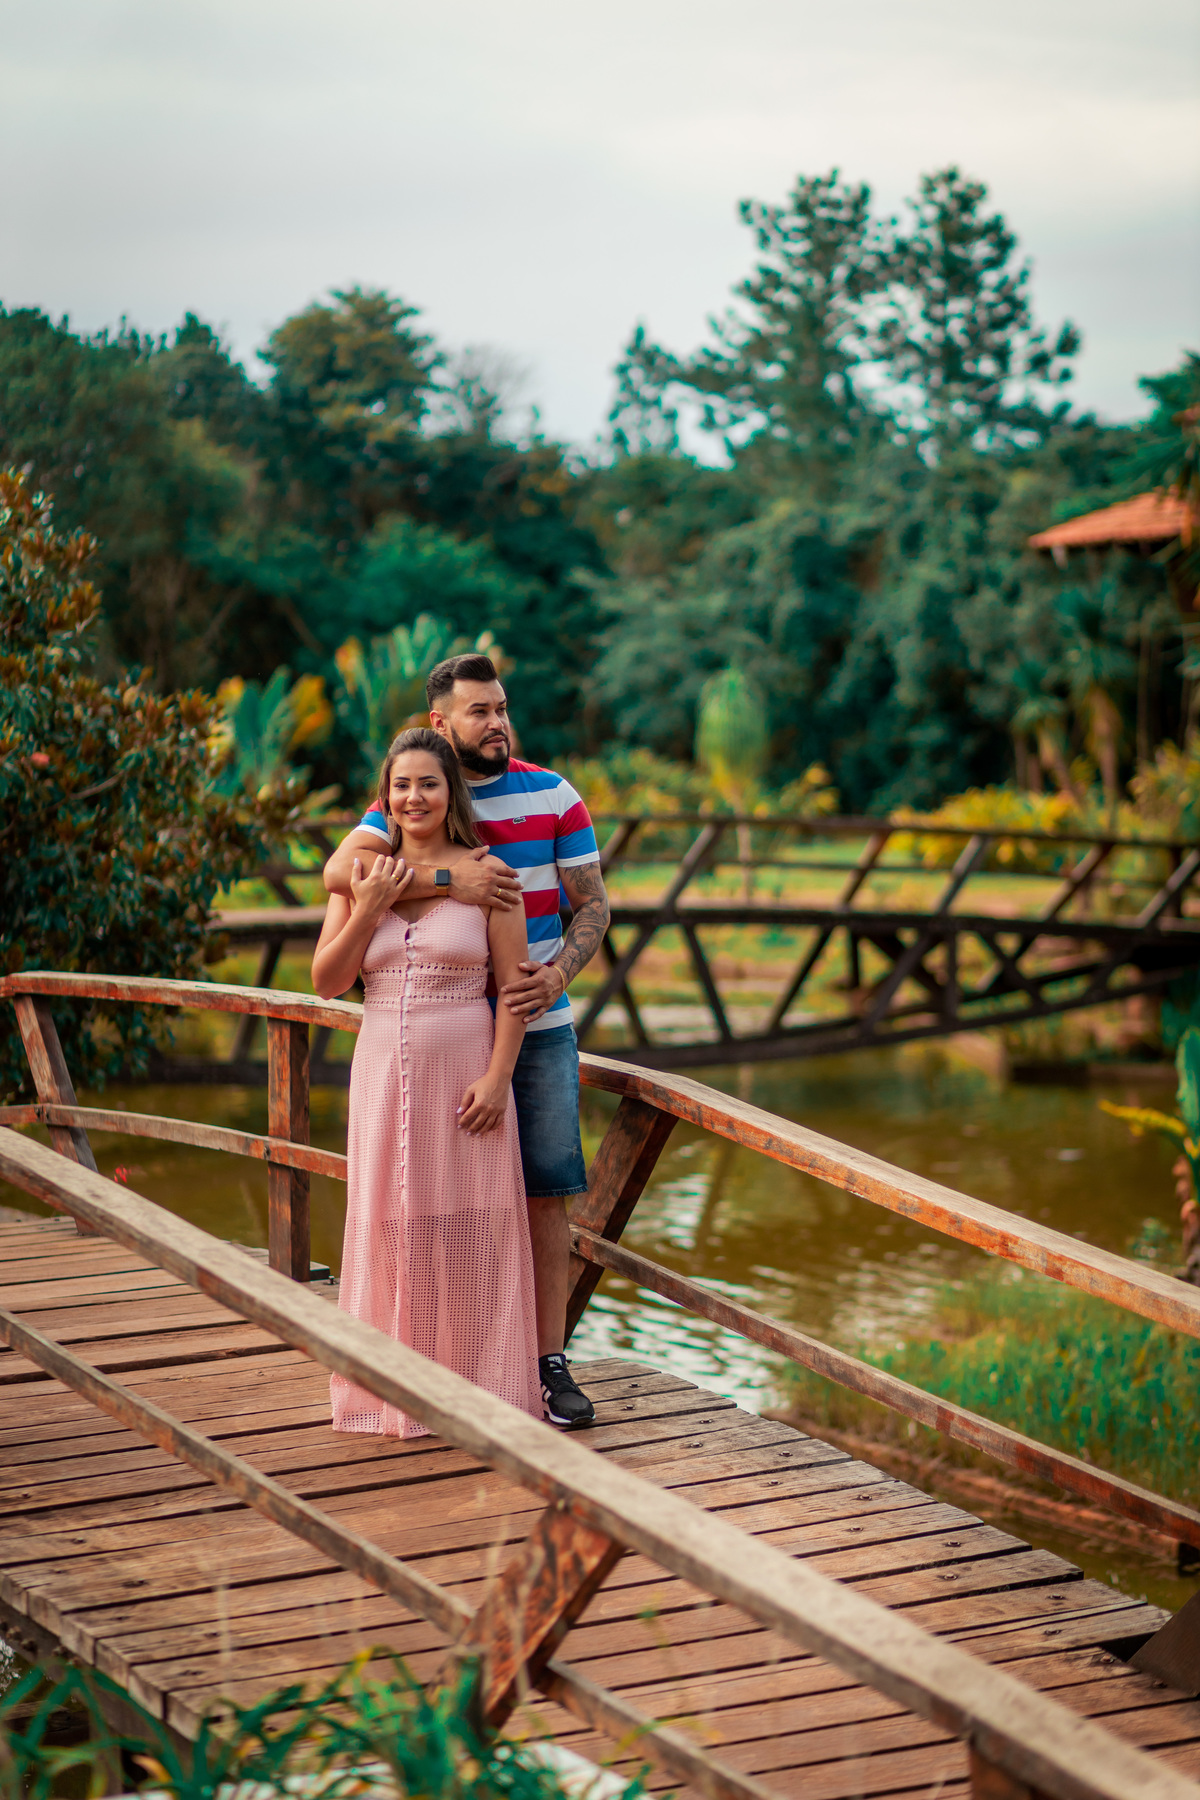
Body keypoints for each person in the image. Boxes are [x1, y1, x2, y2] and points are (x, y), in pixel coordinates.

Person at [323, 653, 610, 1428]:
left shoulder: (554, 793)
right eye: (479, 711)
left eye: (502, 707)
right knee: (419, 1197)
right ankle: (428, 1361)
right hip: (428, 1037)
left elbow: (594, 906)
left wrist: (557, 975)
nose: (497, 723)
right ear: (441, 723)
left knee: (545, 1194)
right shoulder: (413, 789)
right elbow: (342, 874)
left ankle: (545, 1364)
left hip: (535, 1028)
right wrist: (455, 882)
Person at [312, 727, 541, 1437]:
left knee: (471, 1230)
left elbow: (514, 993)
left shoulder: (491, 878)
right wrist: (370, 906)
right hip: (381, 1073)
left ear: (451, 794)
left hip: (466, 1075)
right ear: (384, 798)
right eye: (402, 785)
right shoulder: (361, 876)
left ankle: (478, 1390)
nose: (415, 797)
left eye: (429, 784)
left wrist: (499, 1078)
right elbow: (327, 981)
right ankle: (394, 1392)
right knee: (387, 1225)